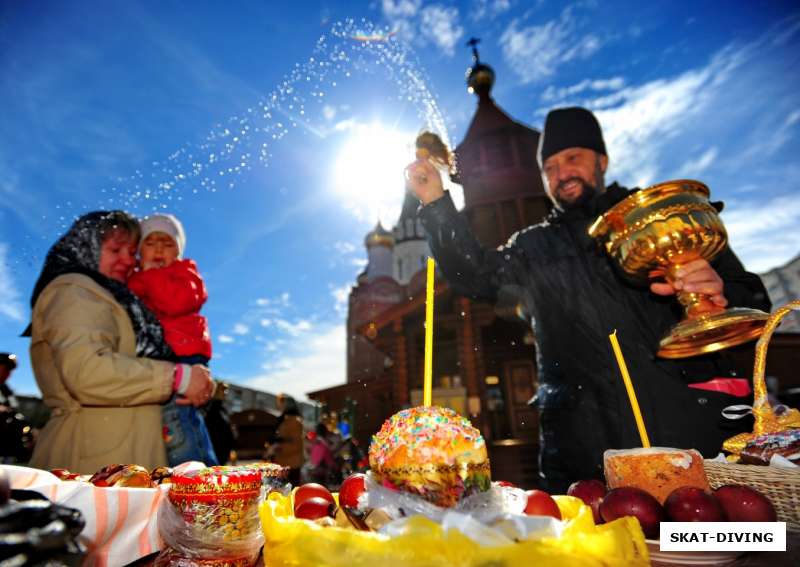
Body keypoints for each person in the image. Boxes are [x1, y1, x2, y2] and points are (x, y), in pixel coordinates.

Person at [404, 109, 771, 492]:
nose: (562, 173)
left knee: (736, 541)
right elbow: (474, 273)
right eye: (550, 167)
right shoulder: (534, 246)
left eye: (573, 158)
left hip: (696, 438)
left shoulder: (662, 218)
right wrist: (434, 201)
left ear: (602, 160)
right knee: (600, 550)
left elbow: (753, 297)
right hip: (584, 455)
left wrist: (719, 294)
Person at [25, 211, 214, 474]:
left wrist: (196, 384)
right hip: (91, 462)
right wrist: (179, 377)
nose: (128, 260)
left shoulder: (118, 297)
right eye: (116, 250)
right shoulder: (75, 290)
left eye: (131, 251)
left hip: (121, 457)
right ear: (87, 246)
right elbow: (87, 371)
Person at [128, 213, 218, 466]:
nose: (158, 249)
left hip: (183, 354)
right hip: (159, 357)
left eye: (168, 244)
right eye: (150, 242)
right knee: (167, 427)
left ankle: (199, 478)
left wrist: (150, 275)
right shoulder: (135, 279)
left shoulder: (184, 274)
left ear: (178, 252)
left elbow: (175, 302)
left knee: (179, 423)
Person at [0, 352, 34, 463]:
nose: (7, 374)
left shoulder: (6, 390)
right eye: (5, 368)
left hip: (7, 444)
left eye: (9, 370)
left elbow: (13, 408)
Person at [268, 394, 304, 485]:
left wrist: (276, 448)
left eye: (281, 402)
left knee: (289, 493)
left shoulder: (294, 421)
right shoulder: (285, 419)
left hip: (291, 466)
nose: (278, 405)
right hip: (283, 464)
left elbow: (296, 445)